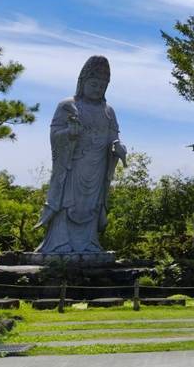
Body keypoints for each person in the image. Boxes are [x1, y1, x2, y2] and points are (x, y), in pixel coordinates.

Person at [35, 56, 127, 255]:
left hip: (98, 166)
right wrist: (69, 133)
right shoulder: (68, 105)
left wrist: (118, 147)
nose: (98, 89)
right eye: (94, 84)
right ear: (82, 82)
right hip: (73, 165)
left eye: (102, 86)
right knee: (68, 202)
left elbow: (113, 136)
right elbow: (55, 134)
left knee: (92, 205)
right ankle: (60, 244)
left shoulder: (108, 111)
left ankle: (89, 243)